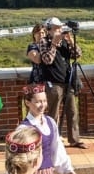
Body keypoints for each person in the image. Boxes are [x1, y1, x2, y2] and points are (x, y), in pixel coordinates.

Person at [21, 84, 77, 174]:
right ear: (27, 103)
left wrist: (68, 169)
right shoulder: (23, 129)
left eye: (44, 101)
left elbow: (57, 147)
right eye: (37, 102)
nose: (42, 105)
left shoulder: (50, 122)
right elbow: (18, 159)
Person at [36, 18, 84, 148]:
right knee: (53, 113)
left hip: (67, 82)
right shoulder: (44, 41)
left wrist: (70, 41)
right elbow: (47, 60)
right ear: (49, 29)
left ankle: (74, 139)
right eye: (56, 28)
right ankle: (52, 140)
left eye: (60, 28)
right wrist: (54, 45)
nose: (59, 30)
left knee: (72, 111)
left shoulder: (65, 41)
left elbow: (77, 55)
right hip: (53, 82)